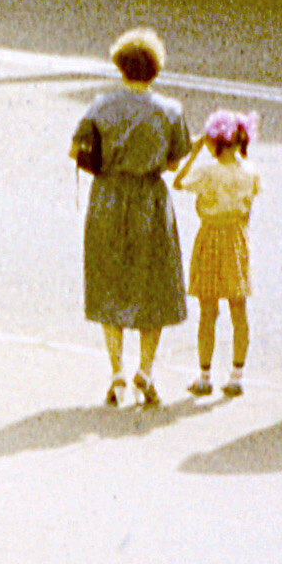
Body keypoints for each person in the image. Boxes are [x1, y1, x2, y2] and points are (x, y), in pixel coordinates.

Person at [75, 27, 191, 405]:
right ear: (156, 69)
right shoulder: (170, 111)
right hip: (150, 200)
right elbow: (175, 161)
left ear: (119, 66)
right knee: (153, 285)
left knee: (110, 281)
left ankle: (116, 372)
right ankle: (146, 368)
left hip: (108, 197)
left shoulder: (99, 107)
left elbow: (81, 153)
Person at [181, 111, 259, 398]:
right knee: (239, 309)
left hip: (211, 234)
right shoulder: (250, 171)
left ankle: (204, 375)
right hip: (236, 237)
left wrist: (193, 152)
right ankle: (237, 375)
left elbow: (179, 181)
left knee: (208, 311)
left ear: (215, 143)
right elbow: (249, 207)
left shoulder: (208, 171)